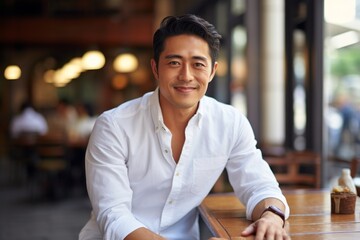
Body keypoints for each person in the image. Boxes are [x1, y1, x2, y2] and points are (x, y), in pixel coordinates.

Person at [79, 14, 290, 240]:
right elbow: (113, 215)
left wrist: (272, 216)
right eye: (174, 63)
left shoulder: (230, 123)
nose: (186, 75)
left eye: (198, 64)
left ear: (212, 71)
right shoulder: (113, 126)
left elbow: (260, 186)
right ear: (155, 68)